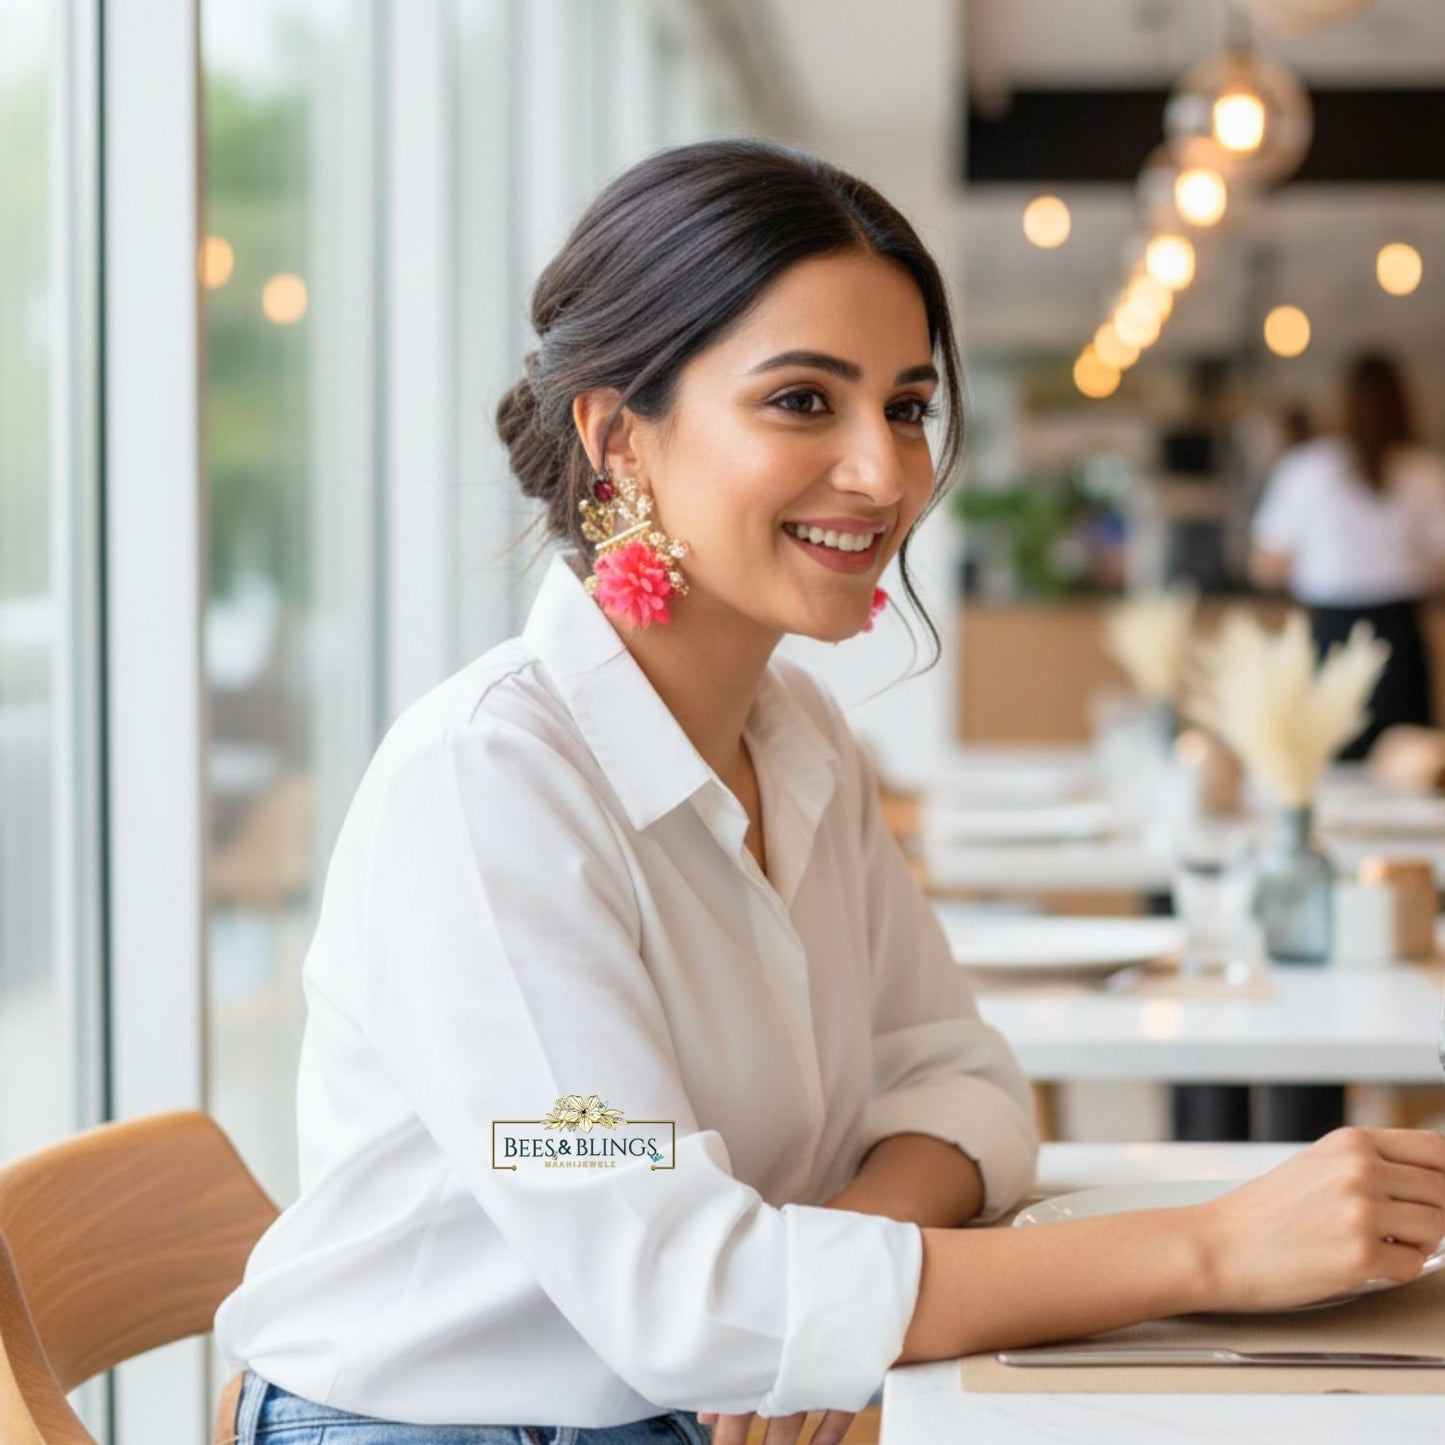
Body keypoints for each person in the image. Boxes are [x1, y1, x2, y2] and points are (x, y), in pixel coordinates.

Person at [214, 141, 1445, 1445]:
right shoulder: (488, 791)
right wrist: (1206, 1251)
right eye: (804, 401)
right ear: (618, 436)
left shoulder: (795, 734)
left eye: (907, 405)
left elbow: (961, 1081)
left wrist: (826, 1276)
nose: (886, 471)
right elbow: (684, 1301)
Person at [1251, 352, 1445, 759]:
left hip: (1331, 632)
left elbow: (1266, 566)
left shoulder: (1305, 469)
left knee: (1329, 762)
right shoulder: (1425, 472)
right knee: (1405, 763)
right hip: (1398, 634)